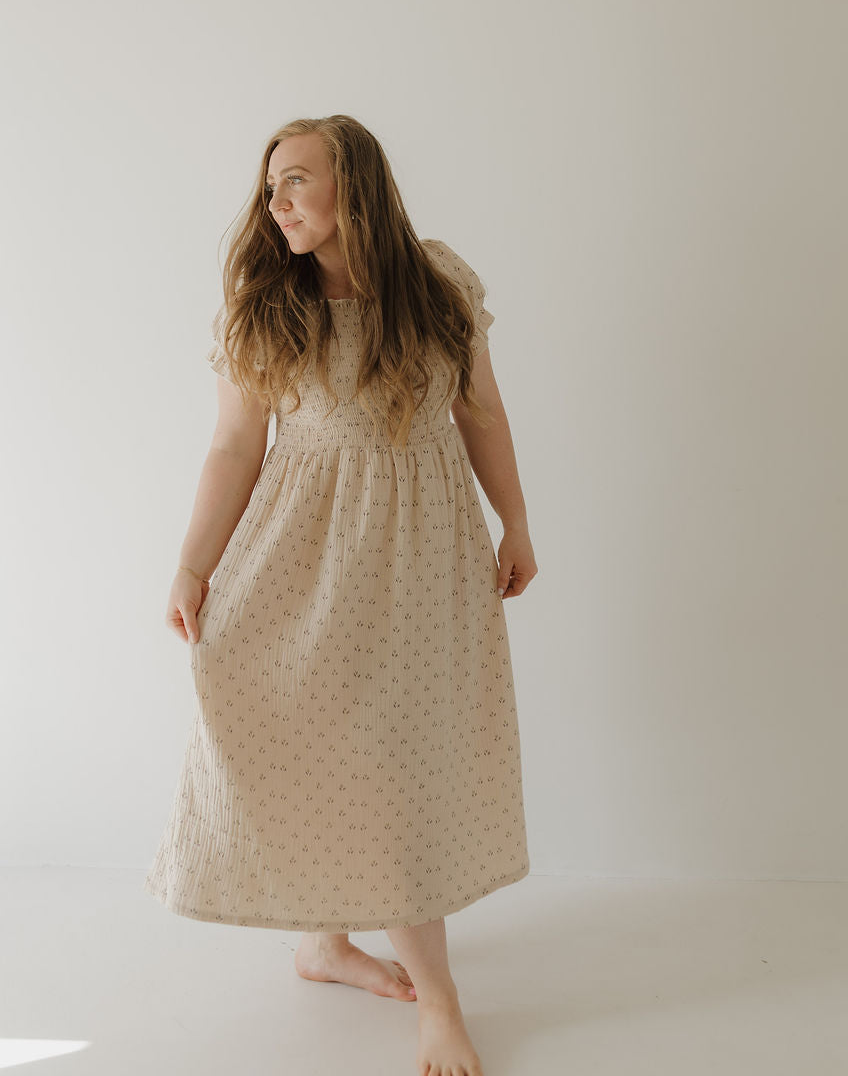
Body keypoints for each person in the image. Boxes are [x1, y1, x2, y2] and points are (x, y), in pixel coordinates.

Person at [145, 114, 537, 1076]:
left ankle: (417, 988)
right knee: (325, 743)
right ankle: (340, 951)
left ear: (353, 184)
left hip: (419, 562)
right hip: (303, 560)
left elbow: (481, 410)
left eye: (296, 181)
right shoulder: (269, 308)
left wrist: (516, 520)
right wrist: (193, 564)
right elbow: (234, 447)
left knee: (393, 766)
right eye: (269, 186)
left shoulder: (439, 287)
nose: (276, 203)